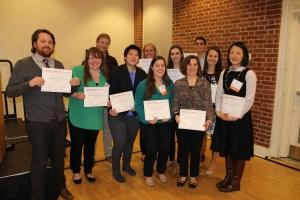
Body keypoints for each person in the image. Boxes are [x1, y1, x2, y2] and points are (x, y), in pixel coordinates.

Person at [5, 29, 79, 200]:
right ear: (34, 44)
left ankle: (61, 187)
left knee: (59, 158)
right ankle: (37, 195)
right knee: (39, 162)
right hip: (38, 123)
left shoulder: (58, 65)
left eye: (50, 42)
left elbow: (65, 93)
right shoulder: (23, 64)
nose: (47, 44)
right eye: (43, 41)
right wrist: (28, 83)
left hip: (60, 120)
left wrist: (75, 84)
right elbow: (10, 92)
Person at [214, 41, 256, 192]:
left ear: (244, 55)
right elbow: (219, 94)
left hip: (240, 119)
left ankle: (236, 181)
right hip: (224, 116)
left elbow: (249, 99)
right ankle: (228, 177)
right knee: (227, 147)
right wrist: (218, 112)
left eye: (238, 53)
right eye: (232, 52)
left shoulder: (249, 74)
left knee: (238, 150)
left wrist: (236, 116)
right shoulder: (224, 73)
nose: (234, 55)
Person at [68, 47, 109, 184]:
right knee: (77, 144)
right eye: (91, 58)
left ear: (102, 60)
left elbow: (106, 94)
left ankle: (88, 170)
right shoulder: (77, 70)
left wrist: (109, 103)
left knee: (90, 145)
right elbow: (67, 90)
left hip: (95, 116)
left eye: (97, 58)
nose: (94, 61)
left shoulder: (105, 74)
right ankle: (75, 171)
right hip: (78, 114)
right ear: (87, 59)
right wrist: (75, 94)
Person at [173, 55, 215, 189]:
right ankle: (183, 175)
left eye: (195, 64)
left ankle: (193, 176)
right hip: (183, 122)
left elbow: (207, 102)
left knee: (196, 150)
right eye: (189, 64)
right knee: (183, 149)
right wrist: (176, 115)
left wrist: (210, 118)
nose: (192, 67)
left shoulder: (204, 83)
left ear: (198, 67)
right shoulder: (178, 83)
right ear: (185, 66)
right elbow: (175, 102)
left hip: (198, 123)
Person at [108, 44, 147, 183]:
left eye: (136, 55)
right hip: (117, 115)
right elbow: (110, 92)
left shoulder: (143, 74)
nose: (133, 57)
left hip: (134, 117)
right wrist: (110, 107)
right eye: (130, 54)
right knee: (119, 143)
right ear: (125, 57)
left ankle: (126, 165)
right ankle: (116, 170)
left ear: (139, 58)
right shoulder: (116, 71)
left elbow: (145, 95)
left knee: (129, 142)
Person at [135, 56, 174, 186]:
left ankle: (161, 171)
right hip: (148, 123)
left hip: (165, 122)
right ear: (152, 67)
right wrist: (147, 117)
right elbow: (138, 104)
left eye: (162, 65)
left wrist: (170, 115)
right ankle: (148, 173)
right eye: (157, 65)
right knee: (151, 149)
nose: (160, 68)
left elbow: (174, 103)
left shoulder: (169, 84)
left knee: (164, 148)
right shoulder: (143, 84)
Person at [96, 33, 118, 162]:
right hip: (93, 100)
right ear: (97, 42)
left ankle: (108, 153)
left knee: (108, 128)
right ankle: (91, 155)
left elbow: (115, 79)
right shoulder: (88, 59)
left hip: (108, 100)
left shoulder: (112, 60)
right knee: (92, 129)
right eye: (102, 42)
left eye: (106, 43)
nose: (104, 44)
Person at [201, 46, 223, 175]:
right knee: (201, 136)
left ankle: (213, 162)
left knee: (215, 137)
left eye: (215, 56)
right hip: (202, 109)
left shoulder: (222, 74)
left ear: (218, 58)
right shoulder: (201, 74)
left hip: (216, 110)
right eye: (210, 56)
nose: (212, 58)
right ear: (206, 57)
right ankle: (199, 157)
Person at [166, 45, 184, 167]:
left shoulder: (186, 70)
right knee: (169, 135)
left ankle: (181, 160)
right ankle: (170, 157)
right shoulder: (166, 71)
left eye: (177, 53)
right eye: (172, 54)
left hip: (183, 107)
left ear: (181, 55)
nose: (175, 56)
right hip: (169, 107)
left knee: (182, 135)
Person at [139, 43, 157, 161]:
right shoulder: (139, 66)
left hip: (156, 101)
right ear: (144, 53)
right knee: (144, 128)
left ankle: (154, 151)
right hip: (144, 100)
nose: (149, 52)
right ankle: (144, 152)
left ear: (155, 52)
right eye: (146, 50)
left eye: (151, 50)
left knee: (155, 128)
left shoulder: (159, 64)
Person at [194, 36, 208, 162]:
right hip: (193, 95)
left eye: (201, 44)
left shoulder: (207, 60)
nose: (199, 46)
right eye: (197, 44)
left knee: (203, 125)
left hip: (204, 95)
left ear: (205, 46)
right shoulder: (191, 59)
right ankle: (194, 151)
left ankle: (202, 151)